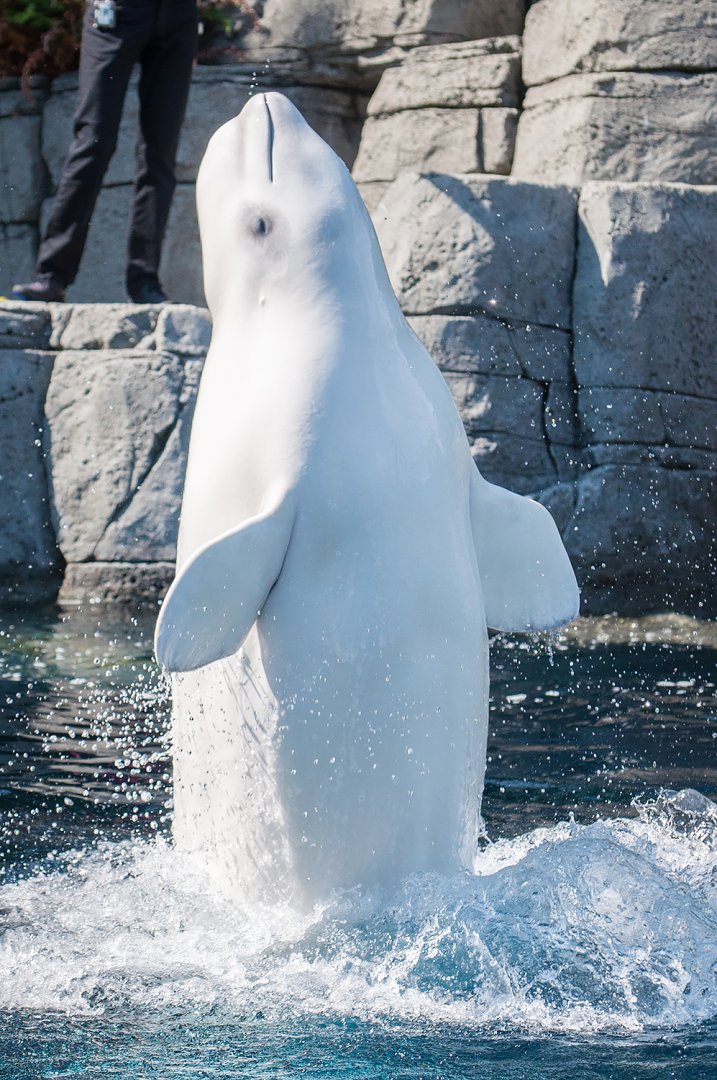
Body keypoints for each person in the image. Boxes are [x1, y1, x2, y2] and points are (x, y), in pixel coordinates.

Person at [12, 0, 198, 304]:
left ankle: (145, 281)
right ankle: (52, 276)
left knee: (160, 152)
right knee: (94, 144)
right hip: (116, 16)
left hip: (178, 17)